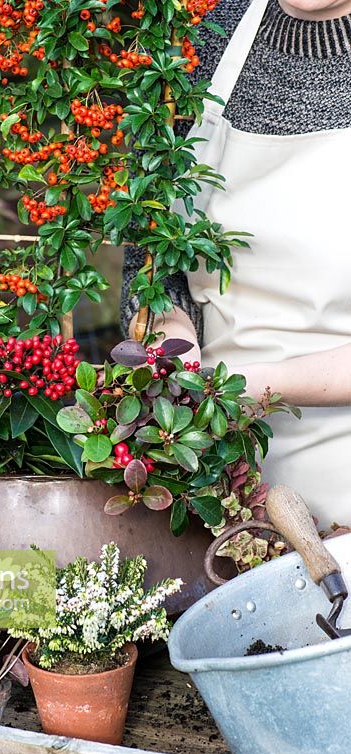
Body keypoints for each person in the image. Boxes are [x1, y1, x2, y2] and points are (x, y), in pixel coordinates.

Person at [122, 0, 351, 528]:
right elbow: (152, 256)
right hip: (211, 468)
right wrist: (171, 348)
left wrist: (260, 386)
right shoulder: (200, 37)